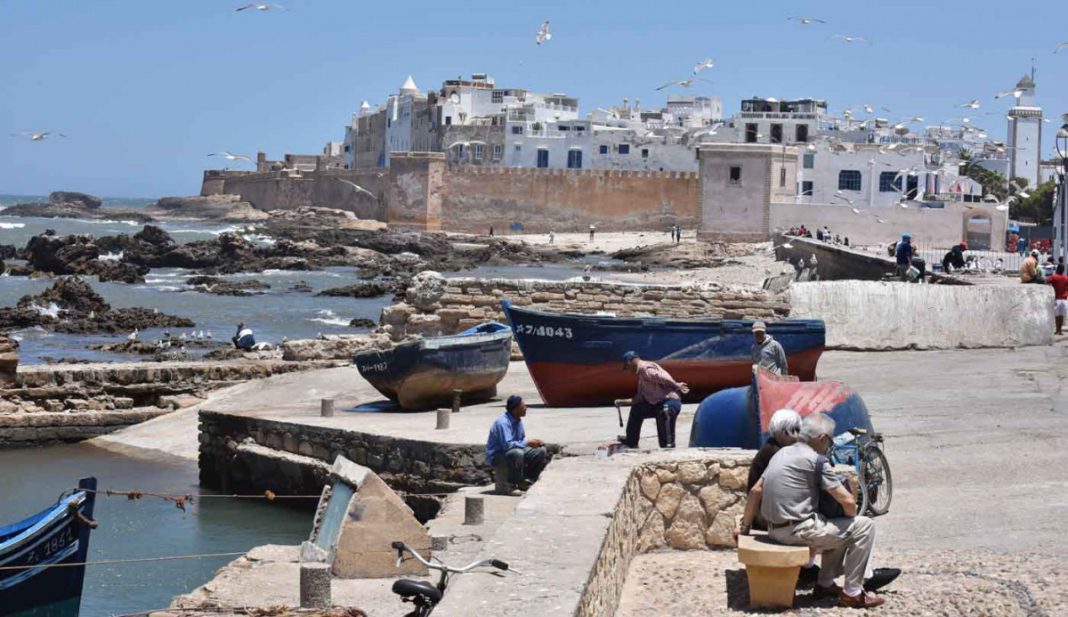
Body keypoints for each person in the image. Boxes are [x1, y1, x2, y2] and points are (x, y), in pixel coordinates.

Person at [738, 413, 887, 609]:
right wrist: (849, 516)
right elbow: (847, 500)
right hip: (796, 532)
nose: (829, 445)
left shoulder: (781, 453)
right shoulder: (816, 460)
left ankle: (824, 585)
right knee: (864, 526)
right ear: (822, 438)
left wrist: (745, 526)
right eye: (830, 440)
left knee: (840, 528)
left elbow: (756, 490)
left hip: (774, 530)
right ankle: (853, 593)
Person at [615, 351, 688, 448]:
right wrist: (621, 402)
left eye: (627, 367)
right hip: (657, 403)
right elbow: (639, 398)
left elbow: (664, 378)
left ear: (629, 362)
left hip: (669, 402)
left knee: (664, 413)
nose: (628, 371)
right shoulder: (641, 377)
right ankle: (631, 440)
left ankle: (668, 448)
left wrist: (677, 385)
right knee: (637, 409)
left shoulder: (646, 369)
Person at [485, 395, 548, 495]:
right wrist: (527, 443)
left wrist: (533, 443)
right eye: (523, 406)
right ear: (515, 409)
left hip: (512, 451)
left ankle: (527, 480)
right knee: (517, 453)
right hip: (498, 455)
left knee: (540, 450)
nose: (526, 408)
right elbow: (507, 445)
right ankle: (511, 485)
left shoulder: (518, 420)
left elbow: (520, 440)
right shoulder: (503, 423)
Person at [1049, 264, 1068, 335]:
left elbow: (1046, 281)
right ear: (1063, 270)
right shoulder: (1066, 278)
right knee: (1062, 316)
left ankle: (1057, 330)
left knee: (1057, 316)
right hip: (1064, 299)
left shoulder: (1054, 277)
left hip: (1057, 299)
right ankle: (1060, 330)